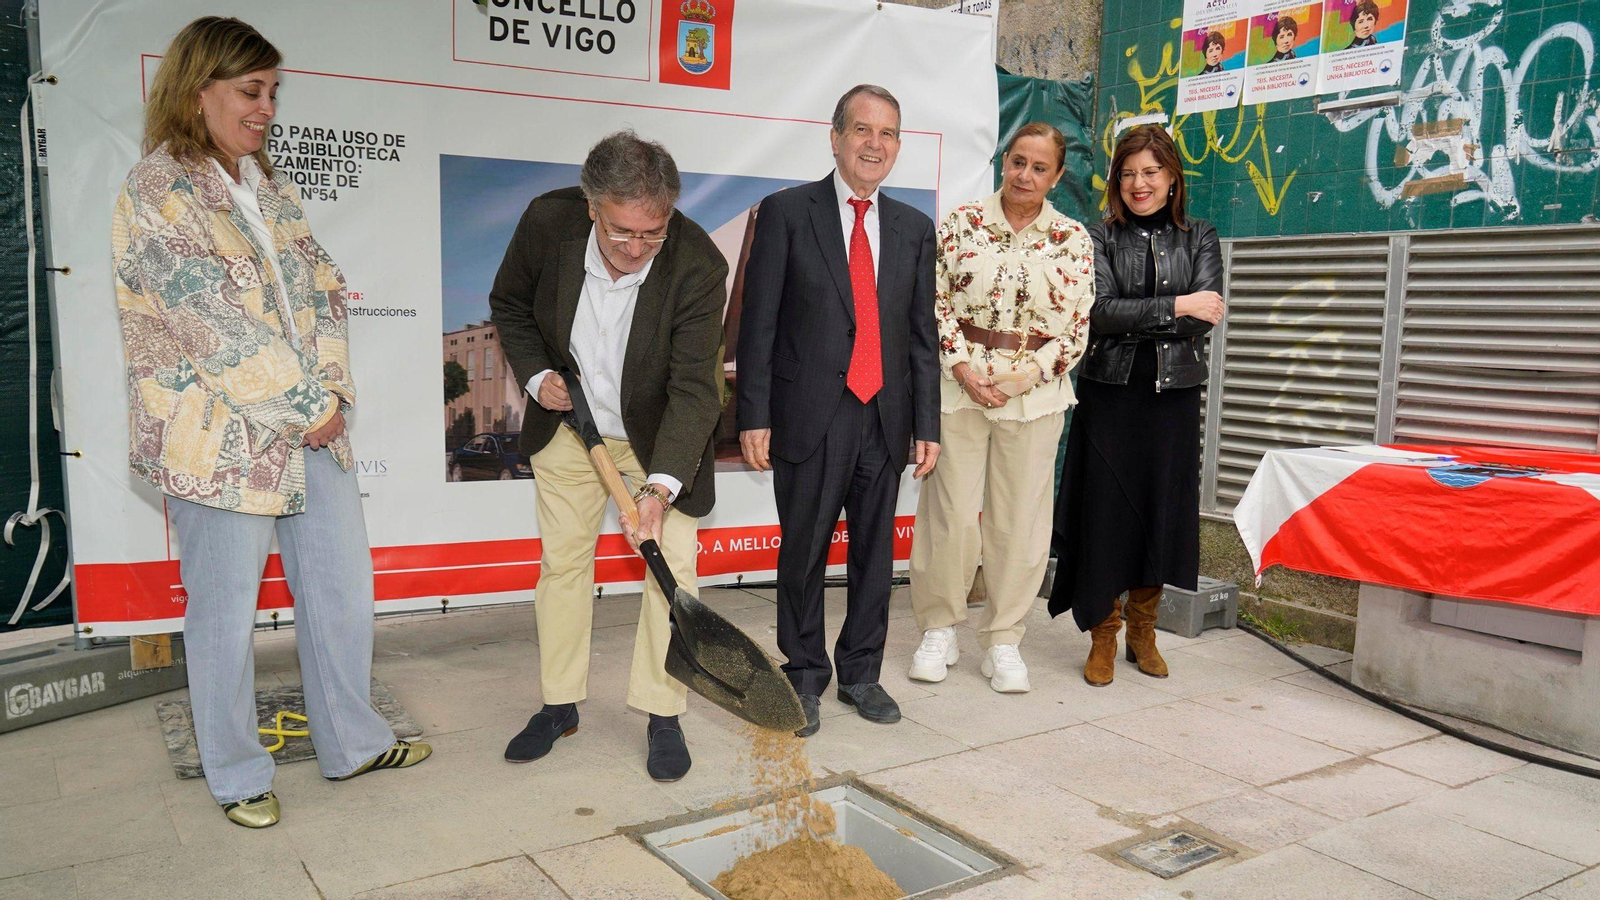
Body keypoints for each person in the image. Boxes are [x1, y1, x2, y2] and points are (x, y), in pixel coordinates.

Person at [112, 16, 429, 829]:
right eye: (251, 91)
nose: (267, 109)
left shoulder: (267, 184)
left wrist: (329, 396)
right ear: (197, 91)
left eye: (273, 92)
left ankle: (352, 743)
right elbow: (208, 321)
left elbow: (324, 286)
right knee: (223, 614)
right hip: (217, 439)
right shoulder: (158, 190)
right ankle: (236, 773)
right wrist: (307, 406)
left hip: (311, 425)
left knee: (340, 593)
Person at [489, 131, 727, 782]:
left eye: (652, 234)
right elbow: (509, 305)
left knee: (670, 566)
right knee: (564, 563)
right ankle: (559, 704)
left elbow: (695, 389)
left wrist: (658, 489)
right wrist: (538, 377)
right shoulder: (547, 221)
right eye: (622, 231)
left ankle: (662, 712)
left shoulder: (699, 265)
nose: (635, 249)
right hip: (570, 431)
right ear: (592, 206)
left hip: (655, 435)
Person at [737, 84, 941, 738]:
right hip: (809, 416)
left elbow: (920, 337)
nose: (874, 143)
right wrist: (753, 414)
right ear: (835, 137)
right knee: (803, 553)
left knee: (875, 559)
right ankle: (803, 677)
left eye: (887, 133)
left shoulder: (914, 228)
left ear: (898, 146)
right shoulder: (787, 213)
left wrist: (927, 427)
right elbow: (757, 324)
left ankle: (860, 673)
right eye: (861, 130)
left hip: (885, 420)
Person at [906, 123, 1093, 694]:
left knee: (1021, 522)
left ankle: (1005, 638)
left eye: (1040, 168)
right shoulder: (961, 223)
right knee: (953, 514)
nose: (1025, 176)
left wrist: (1028, 374)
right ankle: (939, 629)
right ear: (1003, 163)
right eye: (1018, 162)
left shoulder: (1073, 239)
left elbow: (1078, 323)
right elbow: (932, 303)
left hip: (1033, 396)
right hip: (959, 386)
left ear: (1057, 176)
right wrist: (962, 367)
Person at [1049, 125, 1225, 687]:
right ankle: (1104, 631)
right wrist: (1176, 303)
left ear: (1172, 177)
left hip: (1171, 398)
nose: (1138, 183)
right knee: (1104, 515)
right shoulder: (1096, 238)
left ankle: (1142, 632)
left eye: (1150, 172)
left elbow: (1208, 315)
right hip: (1111, 395)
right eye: (1127, 173)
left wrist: (1143, 312)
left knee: (1160, 514)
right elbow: (1098, 313)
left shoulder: (1201, 236)